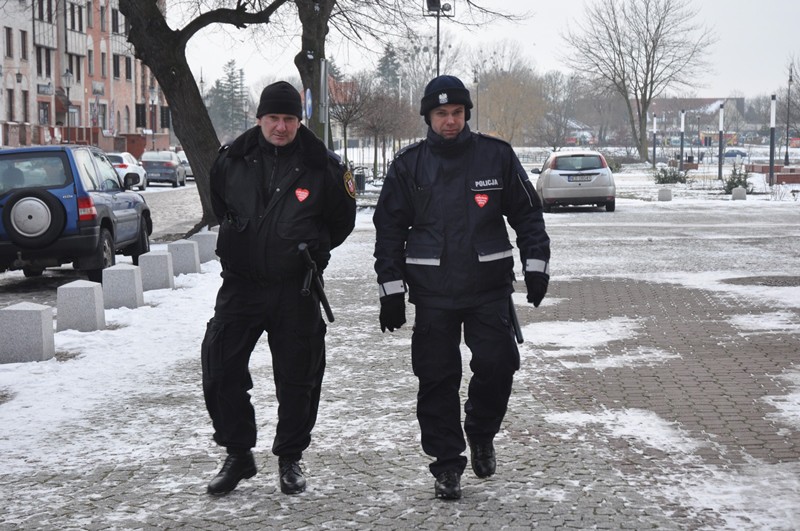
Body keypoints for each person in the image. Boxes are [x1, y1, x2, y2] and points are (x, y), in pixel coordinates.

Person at [373, 75, 551, 500]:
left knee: (498, 365)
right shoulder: (408, 165)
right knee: (436, 378)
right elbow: (388, 231)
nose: (449, 121)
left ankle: (481, 431)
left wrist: (536, 267)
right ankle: (447, 465)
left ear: (466, 114)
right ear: (428, 118)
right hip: (432, 292)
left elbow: (528, 216)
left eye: (456, 113)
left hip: (487, 287)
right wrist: (391, 290)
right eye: (441, 114)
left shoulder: (496, 157)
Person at [202, 81, 357, 496]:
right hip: (242, 284)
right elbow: (221, 205)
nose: (281, 127)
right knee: (220, 366)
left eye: (289, 119)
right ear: (260, 118)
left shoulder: (323, 166)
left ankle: (290, 457)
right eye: (274, 118)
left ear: (298, 121)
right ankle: (238, 452)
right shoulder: (231, 159)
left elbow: (342, 221)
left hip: (296, 287)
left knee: (300, 378)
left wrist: (313, 247)